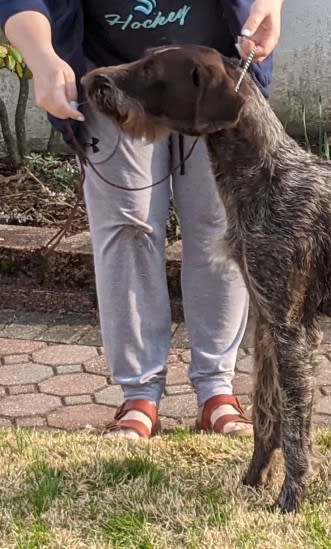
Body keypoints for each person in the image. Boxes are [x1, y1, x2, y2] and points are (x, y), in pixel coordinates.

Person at [0, 0, 285, 438]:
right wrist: (41, 56)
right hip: (114, 79)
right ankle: (139, 396)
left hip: (213, 79)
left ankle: (217, 392)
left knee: (219, 229)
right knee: (127, 229)